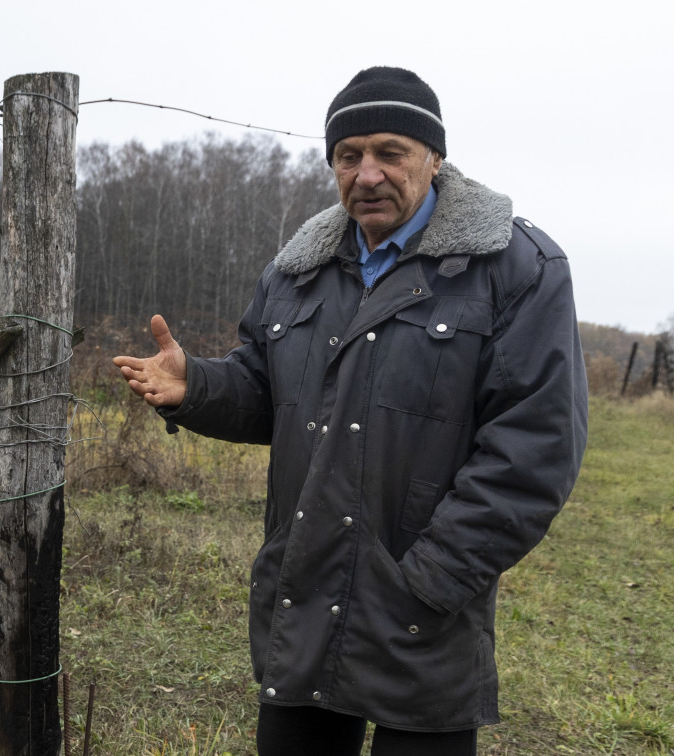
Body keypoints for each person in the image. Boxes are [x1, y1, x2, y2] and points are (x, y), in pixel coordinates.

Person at [113, 66, 588, 756]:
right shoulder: (297, 269)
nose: (366, 174)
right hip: (303, 595)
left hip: (422, 612)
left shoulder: (514, 268)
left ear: (433, 158)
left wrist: (430, 580)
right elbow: (268, 392)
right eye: (347, 155)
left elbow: (534, 448)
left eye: (389, 152)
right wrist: (200, 388)